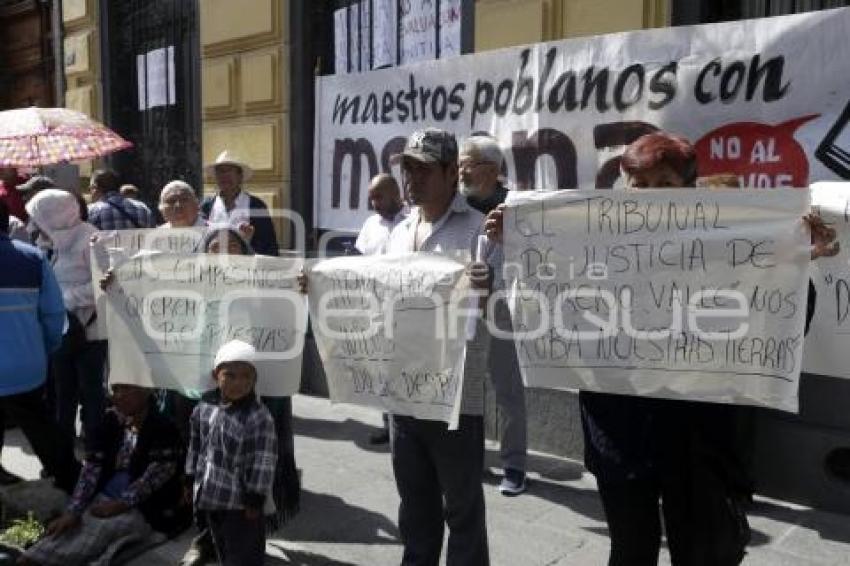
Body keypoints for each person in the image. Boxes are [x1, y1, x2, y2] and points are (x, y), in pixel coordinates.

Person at [483, 131, 838, 566]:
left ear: (690, 191)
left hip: (699, 442)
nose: (651, 197)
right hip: (620, 432)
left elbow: (780, 327)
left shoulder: (729, 249)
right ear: (625, 189)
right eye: (641, 185)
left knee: (701, 553)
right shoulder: (593, 248)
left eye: (665, 184)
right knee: (630, 551)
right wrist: (519, 243)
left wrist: (798, 266)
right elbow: (550, 311)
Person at [386, 127, 493, 565]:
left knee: (462, 509)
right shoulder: (398, 229)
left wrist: (490, 292)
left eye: (423, 168)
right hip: (401, 393)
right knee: (414, 506)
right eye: (407, 168)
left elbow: (506, 310)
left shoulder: (481, 231)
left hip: (454, 397)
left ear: (452, 173)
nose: (412, 178)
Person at [179, 228, 300, 566]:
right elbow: (151, 302)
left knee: (258, 456)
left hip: (258, 384)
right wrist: (116, 284)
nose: (225, 254)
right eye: (215, 248)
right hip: (208, 383)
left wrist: (303, 289)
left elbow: (289, 309)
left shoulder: (264, 286)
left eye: (233, 247)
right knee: (209, 460)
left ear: (247, 253)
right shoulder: (190, 287)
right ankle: (206, 538)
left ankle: (252, 529)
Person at [18, 384, 189, 566]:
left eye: (126, 389)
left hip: (142, 507)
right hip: (103, 499)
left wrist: (121, 504)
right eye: (115, 390)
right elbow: (92, 468)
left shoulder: (164, 428)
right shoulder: (111, 420)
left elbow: (154, 478)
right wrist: (73, 511)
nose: (119, 395)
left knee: (102, 532)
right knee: (55, 538)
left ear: (146, 392)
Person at [459, 134, 529, 496]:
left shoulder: (519, 207)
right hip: (463, 309)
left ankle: (514, 465)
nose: (460, 170)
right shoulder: (455, 207)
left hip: (503, 308)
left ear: (489, 169)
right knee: (468, 388)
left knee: (508, 390)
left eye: (466, 163)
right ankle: (471, 458)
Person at [0, 200, 80, 493]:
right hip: (26, 365)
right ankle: (73, 484)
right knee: (41, 426)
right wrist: (45, 348)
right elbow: (54, 314)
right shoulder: (33, 258)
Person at [186, 340, 278, 566]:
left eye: (247, 376)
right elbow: (195, 444)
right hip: (211, 494)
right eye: (231, 375)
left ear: (255, 379)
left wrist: (255, 498)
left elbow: (264, 460)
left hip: (240, 503)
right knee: (221, 545)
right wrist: (189, 478)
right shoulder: (204, 407)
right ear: (215, 374)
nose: (239, 383)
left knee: (244, 552)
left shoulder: (258, 417)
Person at [26, 189, 106, 448]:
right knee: (62, 392)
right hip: (59, 331)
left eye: (39, 217)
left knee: (91, 390)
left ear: (54, 215)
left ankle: (95, 446)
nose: (34, 225)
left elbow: (104, 284)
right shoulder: (45, 242)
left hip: (89, 330)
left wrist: (63, 299)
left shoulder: (92, 239)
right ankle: (62, 449)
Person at [355, 173, 406, 444]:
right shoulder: (370, 225)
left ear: (396, 194)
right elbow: (362, 261)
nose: (373, 202)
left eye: (379, 196)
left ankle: (409, 424)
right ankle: (389, 425)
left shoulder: (411, 222)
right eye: (371, 197)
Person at [200, 151, 278, 256]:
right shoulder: (207, 205)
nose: (224, 176)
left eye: (229, 171)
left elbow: (268, 246)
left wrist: (246, 241)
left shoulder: (255, 205)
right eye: (220, 172)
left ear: (240, 176)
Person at [87, 169, 154, 230]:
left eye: (90, 188)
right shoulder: (143, 208)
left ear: (95, 189)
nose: (90, 193)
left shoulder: (91, 212)